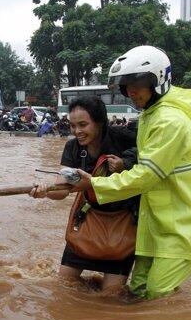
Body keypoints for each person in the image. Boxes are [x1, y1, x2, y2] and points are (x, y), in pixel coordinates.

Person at [72, 45, 191, 301]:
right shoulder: (151, 115)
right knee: (138, 289)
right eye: (126, 86)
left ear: (158, 80)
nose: (130, 92)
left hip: (182, 226)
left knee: (157, 293)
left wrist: (94, 183)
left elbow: (145, 176)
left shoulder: (168, 121)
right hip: (157, 223)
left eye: (136, 84)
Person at [29, 96, 139, 293]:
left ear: (100, 122)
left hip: (123, 223)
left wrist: (126, 163)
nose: (77, 132)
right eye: (72, 126)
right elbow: (62, 189)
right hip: (87, 220)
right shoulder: (72, 147)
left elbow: (151, 158)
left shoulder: (124, 138)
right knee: (63, 288)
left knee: (111, 297)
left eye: (83, 125)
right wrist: (46, 191)